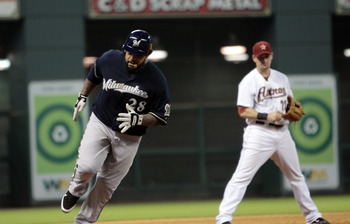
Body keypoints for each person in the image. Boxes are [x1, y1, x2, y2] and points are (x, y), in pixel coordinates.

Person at [60, 29, 171, 223]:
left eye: (138, 55)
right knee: (87, 167)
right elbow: (94, 74)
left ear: (147, 55)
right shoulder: (110, 58)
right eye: (130, 52)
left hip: (130, 136)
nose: (132, 57)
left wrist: (139, 119)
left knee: (107, 183)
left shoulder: (156, 79)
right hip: (101, 122)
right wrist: (83, 95)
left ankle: (84, 220)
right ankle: (76, 189)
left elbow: (161, 116)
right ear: (124, 50)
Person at [215, 41, 330, 224]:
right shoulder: (248, 81)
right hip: (259, 133)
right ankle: (223, 218)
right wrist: (267, 115)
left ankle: (313, 217)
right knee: (242, 177)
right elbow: (243, 110)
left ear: (271, 56)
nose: (263, 60)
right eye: (260, 57)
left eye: (266, 56)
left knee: (296, 176)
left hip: (283, 133)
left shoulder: (281, 78)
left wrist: (292, 110)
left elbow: (290, 102)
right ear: (253, 58)